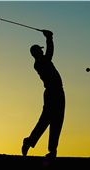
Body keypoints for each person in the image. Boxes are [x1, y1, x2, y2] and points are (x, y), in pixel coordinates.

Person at [22, 30, 65, 158]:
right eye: (40, 50)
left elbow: (49, 53)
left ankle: (52, 151)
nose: (42, 51)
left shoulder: (41, 61)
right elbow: (50, 52)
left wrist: (49, 38)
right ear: (37, 53)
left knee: (57, 121)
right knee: (46, 120)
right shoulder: (40, 63)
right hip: (53, 93)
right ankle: (30, 141)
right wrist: (49, 38)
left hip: (57, 92)